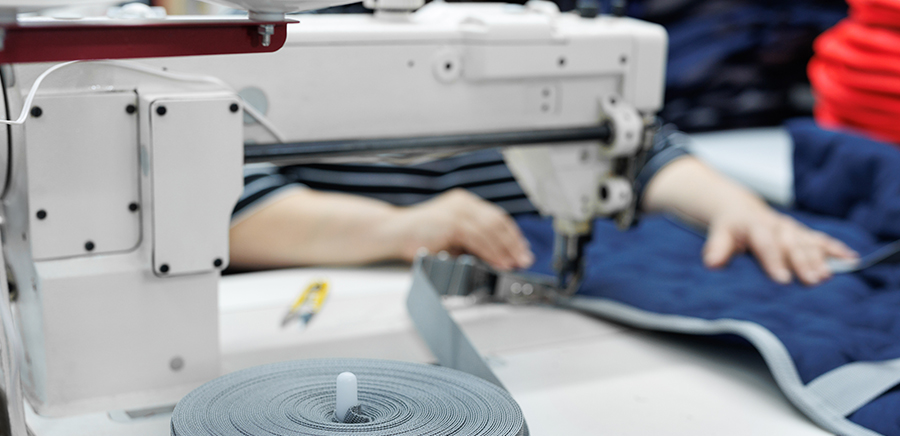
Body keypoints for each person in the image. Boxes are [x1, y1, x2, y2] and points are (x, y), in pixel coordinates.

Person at [229, 135, 857, 286]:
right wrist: (401, 228)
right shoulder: (277, 26)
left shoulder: (533, 24)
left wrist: (738, 207)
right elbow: (220, 206)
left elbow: (634, 146)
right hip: (336, 298)